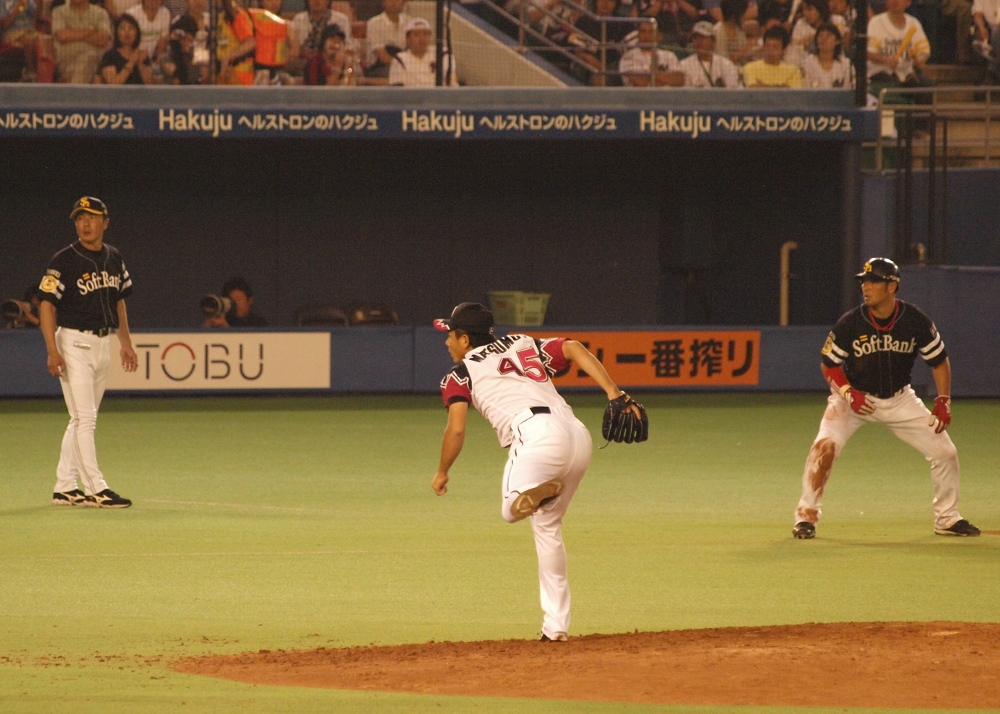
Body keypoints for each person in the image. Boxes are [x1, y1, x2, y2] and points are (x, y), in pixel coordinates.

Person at [431, 302, 647, 641]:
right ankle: (555, 627)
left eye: (449, 335)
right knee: (547, 528)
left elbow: (456, 431)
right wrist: (615, 393)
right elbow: (573, 348)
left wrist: (442, 472)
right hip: (576, 435)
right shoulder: (522, 342)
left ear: (463, 339)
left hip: (537, 437)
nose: (446, 342)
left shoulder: (460, 374)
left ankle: (534, 491)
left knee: (510, 510)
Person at [792, 258, 979, 540]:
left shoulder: (914, 320)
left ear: (892, 286)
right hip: (852, 399)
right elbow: (828, 364)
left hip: (899, 399)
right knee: (824, 447)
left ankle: (947, 518)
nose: (865, 287)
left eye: (873, 281)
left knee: (945, 453)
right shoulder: (851, 322)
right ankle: (806, 518)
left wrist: (943, 400)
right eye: (863, 282)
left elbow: (939, 360)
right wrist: (847, 393)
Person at [38, 197, 136, 509]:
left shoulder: (114, 257)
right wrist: (53, 350)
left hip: (102, 342)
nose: (85, 223)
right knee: (86, 418)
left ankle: (65, 486)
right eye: (80, 218)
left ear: (105, 222)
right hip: (73, 342)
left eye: (91, 217)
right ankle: (96, 487)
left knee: (79, 418)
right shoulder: (64, 259)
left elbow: (118, 300)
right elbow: (46, 304)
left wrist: (126, 342)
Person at [866, 0, 932, 91]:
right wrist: (886, 60)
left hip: (906, 74)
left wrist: (919, 60)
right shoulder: (876, 22)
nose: (895, 1)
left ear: (908, 2)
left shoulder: (913, 23)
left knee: (927, 85)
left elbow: (923, 51)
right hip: (880, 73)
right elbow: (868, 53)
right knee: (893, 86)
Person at [52, 0, 111, 82]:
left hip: (94, 63)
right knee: (85, 64)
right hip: (66, 62)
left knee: (88, 58)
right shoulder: (59, 11)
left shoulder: (101, 13)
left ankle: (74, 92)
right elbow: (62, 36)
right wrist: (89, 31)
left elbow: (102, 39)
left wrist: (73, 33)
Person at [389, 16, 458, 86]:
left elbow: (452, 80)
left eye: (425, 34)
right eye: (417, 34)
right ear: (408, 38)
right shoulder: (399, 59)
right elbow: (397, 91)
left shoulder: (442, 53)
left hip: (440, 96)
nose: (422, 38)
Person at [617, 19, 684, 85]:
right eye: (643, 31)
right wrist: (665, 78)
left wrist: (651, 74)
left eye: (651, 32)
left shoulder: (669, 55)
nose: (646, 35)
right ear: (638, 35)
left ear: (659, 36)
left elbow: (679, 80)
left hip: (667, 95)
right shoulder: (629, 56)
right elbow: (641, 82)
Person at [680, 18, 741, 84]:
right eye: (695, 38)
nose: (698, 42)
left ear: (713, 41)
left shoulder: (726, 65)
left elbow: (734, 91)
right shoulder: (684, 65)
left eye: (702, 37)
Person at [98, 13, 155, 83]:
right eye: (122, 28)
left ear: (137, 33)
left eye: (131, 28)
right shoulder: (110, 56)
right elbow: (113, 85)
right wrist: (131, 63)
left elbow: (150, 85)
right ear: (116, 33)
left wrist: (140, 63)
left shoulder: (142, 55)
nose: (127, 31)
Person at [292, 0, 351, 65]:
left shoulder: (341, 19)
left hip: (333, 62)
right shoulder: (298, 19)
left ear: (328, 1)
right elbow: (294, 47)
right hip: (304, 62)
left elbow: (347, 46)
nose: (317, 1)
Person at [365, 0, 409, 79]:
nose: (394, 2)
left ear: (404, 3)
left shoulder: (409, 22)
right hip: (379, 67)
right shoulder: (374, 23)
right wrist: (403, 66)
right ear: (383, 2)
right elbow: (383, 57)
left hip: (404, 64)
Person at [801, 21, 853, 86]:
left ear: (837, 41)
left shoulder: (845, 64)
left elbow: (848, 90)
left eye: (828, 35)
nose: (824, 39)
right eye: (820, 35)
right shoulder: (807, 63)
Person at [215, 0, 255, 84]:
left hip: (241, 75)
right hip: (226, 75)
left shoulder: (236, 14)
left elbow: (250, 42)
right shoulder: (220, 16)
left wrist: (228, 57)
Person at [202, 276, 267, 327]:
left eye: (238, 299)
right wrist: (207, 327)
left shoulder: (259, 324)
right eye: (231, 300)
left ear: (249, 301)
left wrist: (227, 329)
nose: (235, 303)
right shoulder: (222, 319)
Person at [1, 0, 40, 80]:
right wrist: (18, 9)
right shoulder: (3, 2)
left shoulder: (28, 1)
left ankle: (48, 75)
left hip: (30, 31)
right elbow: (5, 24)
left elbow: (35, 15)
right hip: (12, 32)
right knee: (28, 40)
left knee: (46, 41)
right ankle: (30, 73)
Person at [972, 0, 1000, 79]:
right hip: (991, 31)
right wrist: (982, 28)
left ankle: (993, 69)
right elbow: (977, 14)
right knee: (977, 41)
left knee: (996, 32)